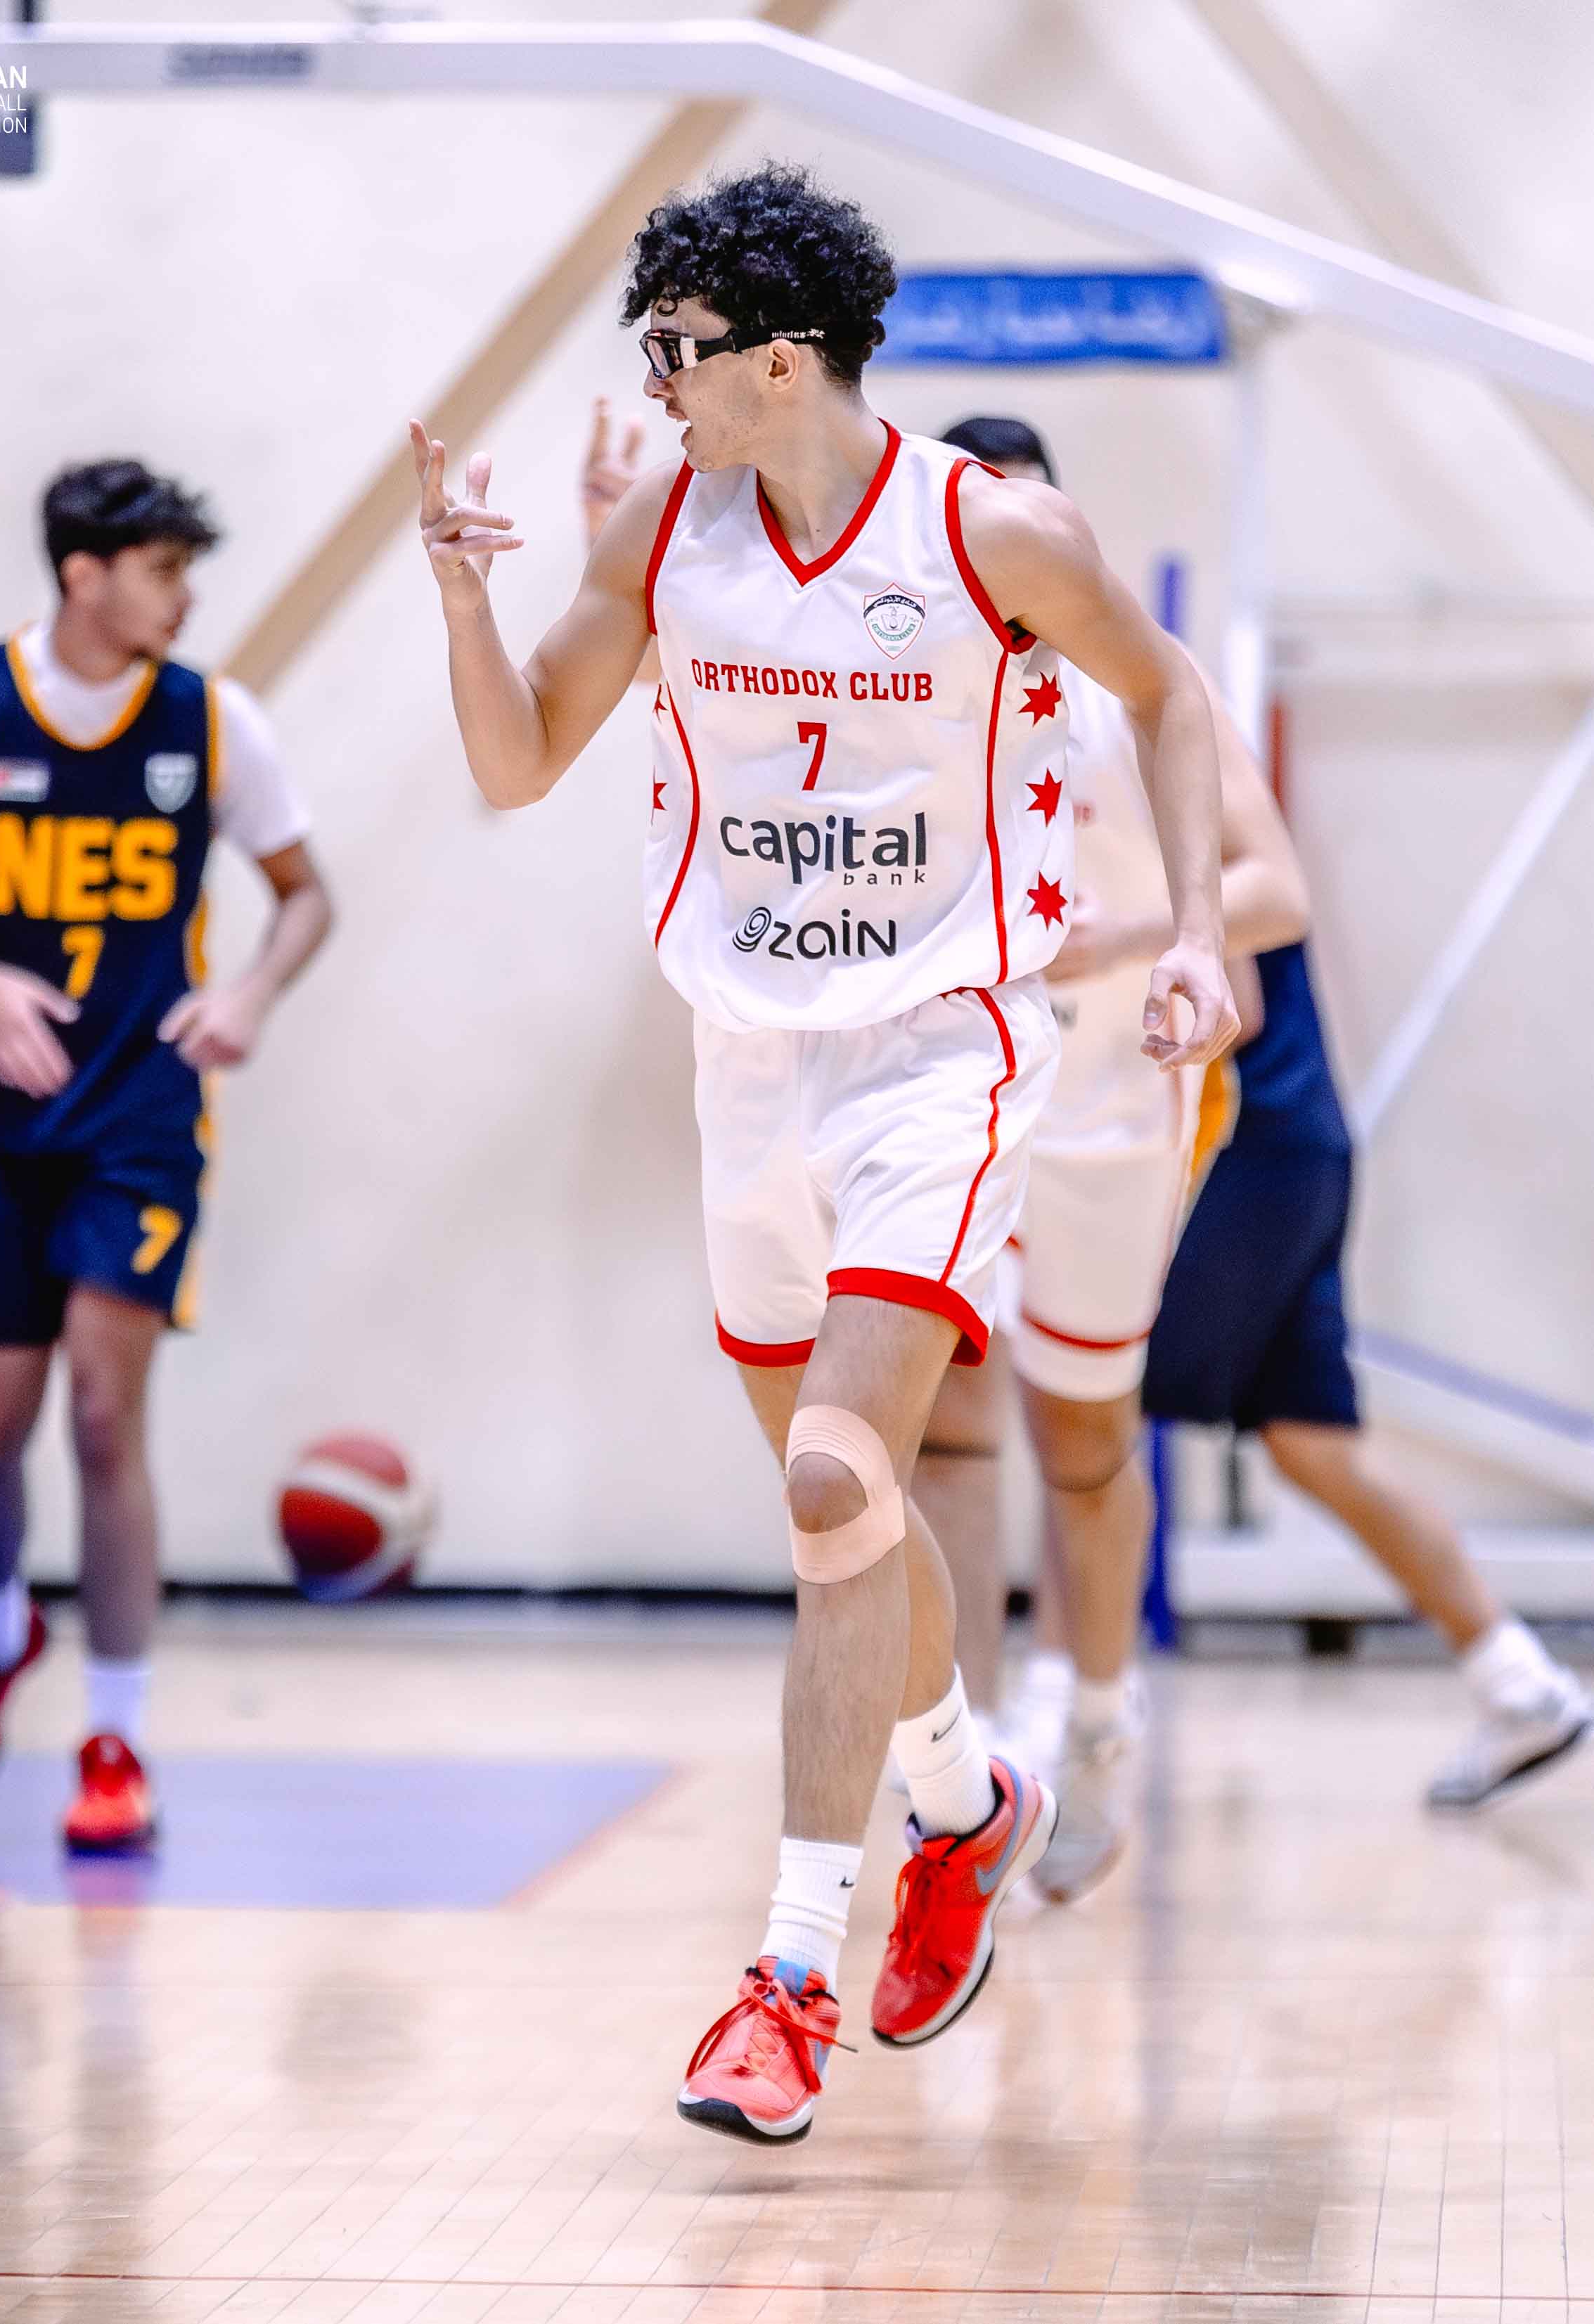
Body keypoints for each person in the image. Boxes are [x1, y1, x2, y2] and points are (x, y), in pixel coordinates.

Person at [416, 162, 1236, 2145]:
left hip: (939, 1052)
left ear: (778, 360)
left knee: (832, 1476)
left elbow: (1169, 696)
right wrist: (460, 596)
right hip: (749, 1064)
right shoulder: (662, 525)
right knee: (844, 1521)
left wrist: (1197, 930)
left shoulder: (992, 531)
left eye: (675, 348)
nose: (655, 380)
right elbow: (517, 759)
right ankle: (965, 1798)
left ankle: (785, 1979)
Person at [0, 460, 333, 1854]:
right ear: (82, 573)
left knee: (107, 1420)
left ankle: (116, 1739)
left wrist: (250, 992)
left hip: (141, 1120)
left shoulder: (211, 721)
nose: (185, 598)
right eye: (164, 570)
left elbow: (304, 896)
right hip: (0, 1117)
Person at [891, 416, 1309, 1904]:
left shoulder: (1138, 680)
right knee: (945, 1424)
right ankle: (962, 1763)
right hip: (952, 1090)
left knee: (1079, 1435)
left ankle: (1098, 1713)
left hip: (1110, 1103)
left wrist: (1127, 933)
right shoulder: (905, 684)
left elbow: (1272, 886)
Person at [1142, 942, 1590, 1811]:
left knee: (1084, 1402)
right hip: (1298, 1140)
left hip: (1250, 1145)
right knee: (1313, 1448)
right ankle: (1519, 1681)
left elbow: (1235, 999)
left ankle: (1059, 1717)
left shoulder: (1199, 856)